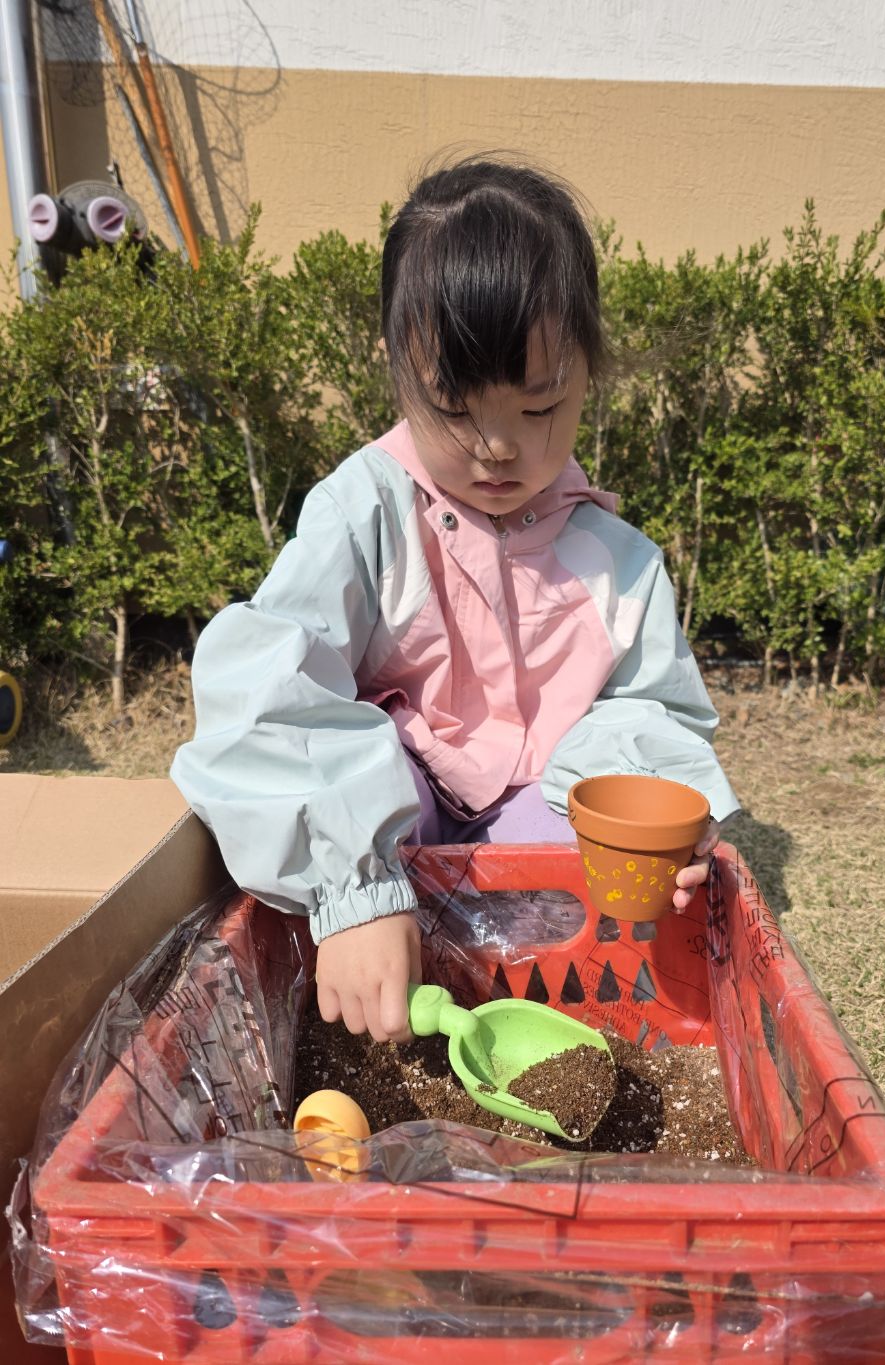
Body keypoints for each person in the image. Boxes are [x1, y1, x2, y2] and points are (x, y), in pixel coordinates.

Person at [171, 156, 740, 1048]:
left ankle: (516, 1007)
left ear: (586, 372)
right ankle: (372, 960)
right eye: (453, 407)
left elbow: (650, 711)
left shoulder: (618, 563)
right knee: (374, 782)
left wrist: (656, 814)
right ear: (398, 371)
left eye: (541, 407)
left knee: (574, 847)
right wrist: (356, 889)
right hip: (397, 813)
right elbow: (269, 683)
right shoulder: (367, 514)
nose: (499, 448)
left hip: (530, 813)